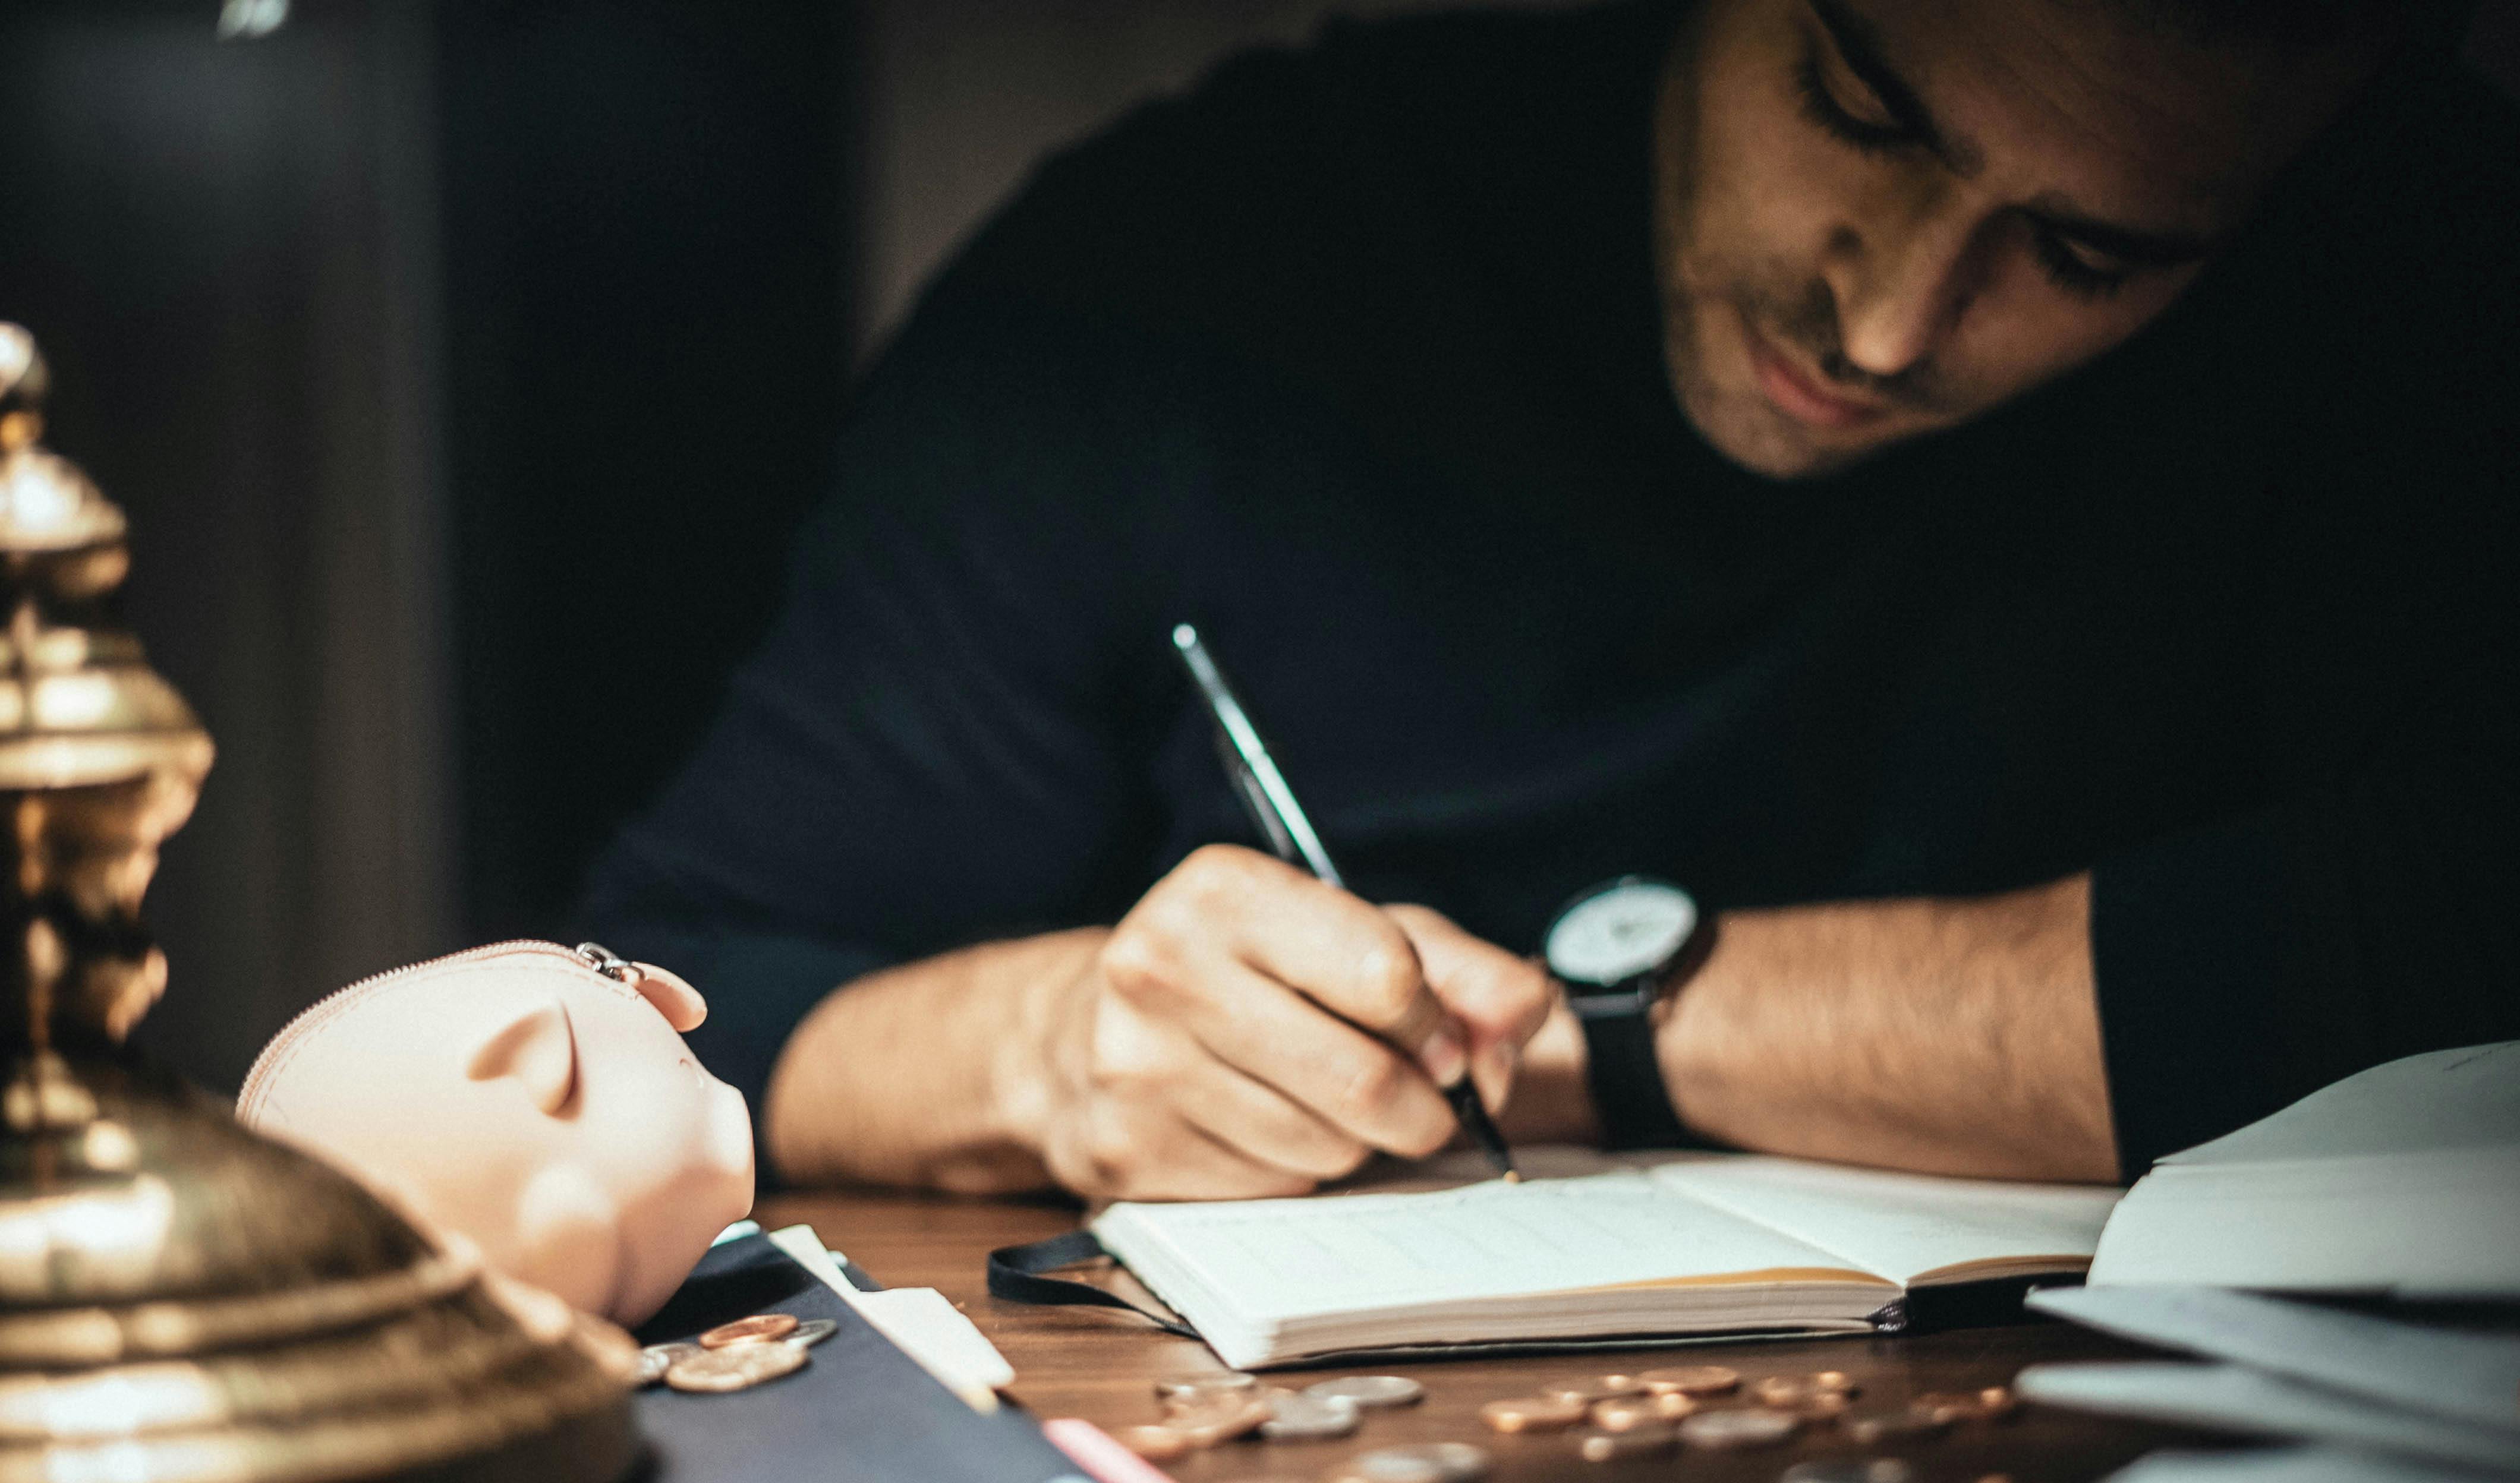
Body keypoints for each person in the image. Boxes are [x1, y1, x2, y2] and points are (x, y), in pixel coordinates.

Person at [584, 0, 2519, 1203]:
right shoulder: (1189, 278)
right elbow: (693, 994)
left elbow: (2457, 933)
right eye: (1860, 106)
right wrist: (1053, 1046)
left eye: (2089, 252)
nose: (1888, 319)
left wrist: (1597, 1033)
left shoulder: (2418, 292)